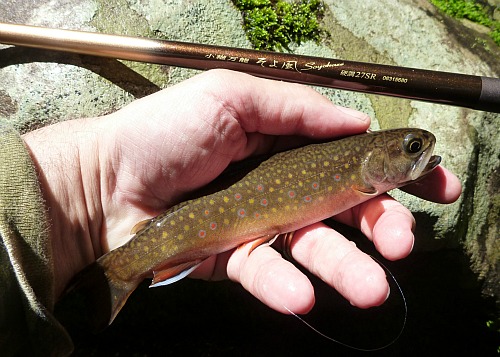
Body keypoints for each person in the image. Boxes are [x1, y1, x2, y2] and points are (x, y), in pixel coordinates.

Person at [0, 69, 461, 356]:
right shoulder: (360, 178)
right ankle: (116, 273)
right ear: (375, 159)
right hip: (189, 225)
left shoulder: (361, 171)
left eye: (414, 148)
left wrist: (77, 196)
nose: (420, 152)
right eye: (412, 148)